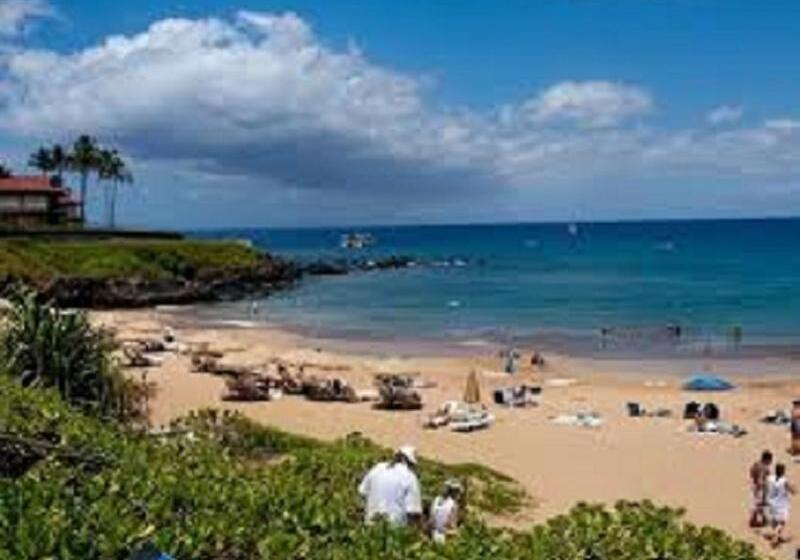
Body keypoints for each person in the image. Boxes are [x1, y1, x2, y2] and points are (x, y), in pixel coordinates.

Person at [358, 446, 422, 527]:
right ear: (406, 461)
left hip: (370, 525)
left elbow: (362, 492)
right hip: (394, 529)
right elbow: (413, 512)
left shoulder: (378, 468)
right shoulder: (410, 477)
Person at [767, 463, 795, 547]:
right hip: (781, 504)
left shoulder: (770, 478)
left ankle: (778, 536)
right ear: (782, 471)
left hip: (771, 502)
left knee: (775, 522)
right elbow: (793, 491)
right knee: (782, 523)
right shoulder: (784, 481)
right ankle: (775, 537)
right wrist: (794, 488)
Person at [430, 479, 462, 543]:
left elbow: (432, 520)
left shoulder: (436, 500)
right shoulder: (452, 504)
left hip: (434, 535)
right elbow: (452, 524)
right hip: (445, 537)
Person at [749, 450, 773, 528]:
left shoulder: (756, 464)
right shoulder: (763, 467)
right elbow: (760, 480)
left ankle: (760, 520)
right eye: (770, 460)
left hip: (754, 486)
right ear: (767, 459)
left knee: (758, 504)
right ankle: (754, 520)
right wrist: (763, 486)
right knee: (760, 505)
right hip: (760, 488)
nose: (771, 462)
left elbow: (751, 473)